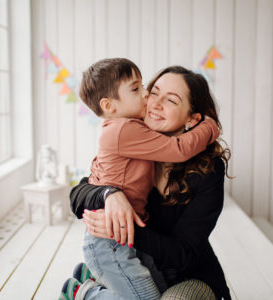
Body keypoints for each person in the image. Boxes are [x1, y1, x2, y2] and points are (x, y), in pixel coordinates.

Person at [64, 65, 232, 299]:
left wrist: (125, 229)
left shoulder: (209, 171)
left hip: (188, 275)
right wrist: (110, 195)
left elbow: (186, 253)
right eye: (154, 92)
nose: (154, 102)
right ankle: (88, 291)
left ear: (192, 119)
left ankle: (87, 292)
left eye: (171, 100)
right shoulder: (131, 142)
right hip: (136, 262)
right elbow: (79, 192)